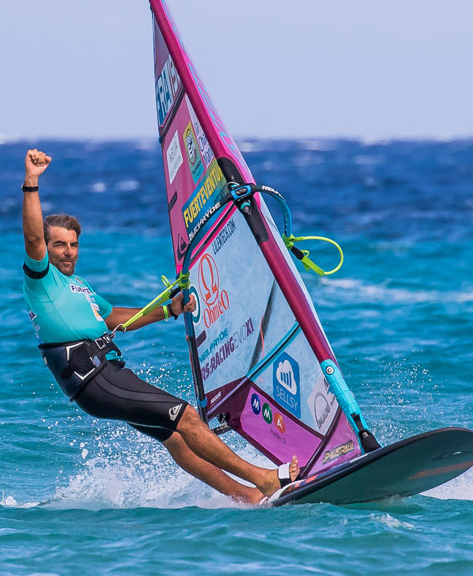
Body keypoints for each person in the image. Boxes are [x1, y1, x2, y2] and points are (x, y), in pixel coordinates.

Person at [21, 148, 297, 505]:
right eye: (59, 245)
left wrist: (170, 309)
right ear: (47, 248)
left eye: (73, 245)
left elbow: (116, 319)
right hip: (92, 376)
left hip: (104, 373)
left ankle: (247, 496)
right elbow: (32, 239)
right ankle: (265, 479)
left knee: (177, 438)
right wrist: (32, 183)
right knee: (186, 416)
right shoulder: (41, 279)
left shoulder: (79, 287)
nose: (68, 252)